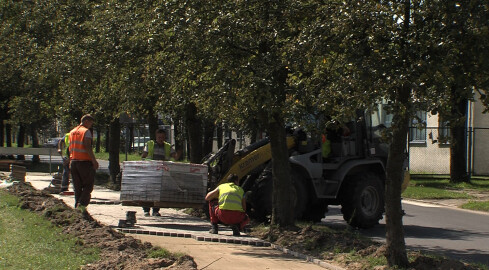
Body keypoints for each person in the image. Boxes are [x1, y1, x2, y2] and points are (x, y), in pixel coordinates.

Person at [140, 128, 180, 216]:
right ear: (156, 137)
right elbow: (144, 155)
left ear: (165, 137)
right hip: (150, 171)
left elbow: (174, 157)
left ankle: (156, 210)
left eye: (162, 137)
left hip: (161, 172)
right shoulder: (150, 144)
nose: (161, 139)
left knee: (159, 192)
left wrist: (178, 154)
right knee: (148, 191)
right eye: (159, 137)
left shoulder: (168, 146)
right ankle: (146, 209)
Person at [69, 114, 99, 210]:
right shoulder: (86, 132)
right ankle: (81, 206)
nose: (91, 125)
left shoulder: (72, 132)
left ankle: (77, 206)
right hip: (84, 163)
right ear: (86, 121)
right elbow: (87, 146)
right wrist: (94, 161)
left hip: (74, 162)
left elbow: (70, 147)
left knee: (77, 187)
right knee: (88, 186)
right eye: (90, 123)